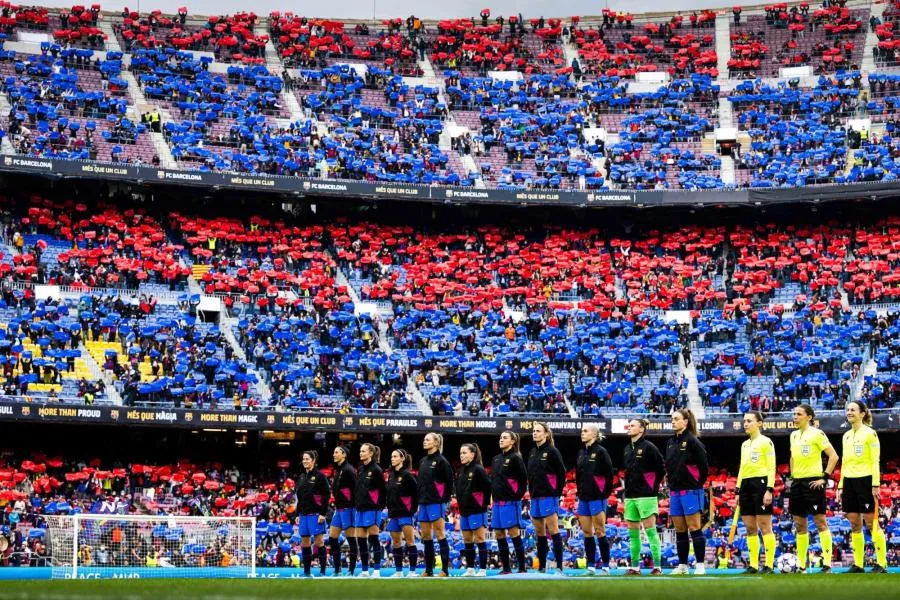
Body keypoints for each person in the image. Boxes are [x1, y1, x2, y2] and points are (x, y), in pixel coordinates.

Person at [789, 404, 839, 573]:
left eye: (799, 414)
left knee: (820, 523)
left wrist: (824, 477)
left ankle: (827, 564)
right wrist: (792, 475)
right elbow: (792, 458)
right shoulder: (793, 435)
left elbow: (833, 456)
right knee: (799, 526)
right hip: (797, 483)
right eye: (794, 414)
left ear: (809, 417)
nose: (795, 417)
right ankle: (801, 566)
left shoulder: (817, 434)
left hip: (813, 483)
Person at [838, 401, 886, 573]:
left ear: (863, 413)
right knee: (854, 525)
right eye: (848, 409)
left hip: (866, 481)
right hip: (849, 482)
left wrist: (875, 484)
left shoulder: (870, 434)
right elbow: (844, 462)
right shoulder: (846, 436)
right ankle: (858, 564)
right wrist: (841, 485)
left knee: (872, 524)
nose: (849, 412)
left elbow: (875, 460)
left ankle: (881, 563)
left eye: (853, 409)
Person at [665, 408, 709, 575]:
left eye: (676, 419)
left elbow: (703, 467)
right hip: (675, 491)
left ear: (685, 421)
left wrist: (696, 483)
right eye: (672, 419)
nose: (673, 421)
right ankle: (683, 565)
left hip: (691, 490)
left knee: (694, 527)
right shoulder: (670, 442)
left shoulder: (693, 441)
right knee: (680, 529)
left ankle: (700, 565)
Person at [623, 418, 665, 576]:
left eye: (632, 425)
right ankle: (634, 567)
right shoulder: (627, 448)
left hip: (646, 496)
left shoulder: (649, 447)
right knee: (633, 534)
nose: (629, 427)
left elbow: (661, 469)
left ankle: (658, 567)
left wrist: (651, 486)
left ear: (641, 430)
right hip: (630, 497)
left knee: (651, 532)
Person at [736, 411, 777, 574]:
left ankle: (769, 565)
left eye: (749, 421)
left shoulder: (766, 442)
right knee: (749, 528)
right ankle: (753, 565)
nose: (745, 424)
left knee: (765, 526)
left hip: (761, 484)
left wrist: (769, 489)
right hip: (745, 485)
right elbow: (742, 468)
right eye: (744, 421)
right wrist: (738, 490)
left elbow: (771, 467)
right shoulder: (744, 444)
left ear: (759, 423)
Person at [527, 421, 566, 574]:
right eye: (533, 431)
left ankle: (559, 567)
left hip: (549, 496)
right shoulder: (532, 452)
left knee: (554, 531)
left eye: (538, 431)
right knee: (540, 533)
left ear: (546, 434)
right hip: (535, 496)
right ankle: (542, 567)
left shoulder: (552, 451)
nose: (534, 433)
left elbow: (561, 473)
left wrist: (556, 492)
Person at [575, 422, 614, 576]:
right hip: (583, 498)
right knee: (586, 532)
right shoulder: (581, 453)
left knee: (600, 531)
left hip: (597, 497)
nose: (582, 433)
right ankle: (590, 566)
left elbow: (609, 475)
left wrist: (604, 493)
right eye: (582, 431)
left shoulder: (601, 452)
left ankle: (605, 566)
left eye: (585, 431)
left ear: (594, 434)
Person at [490, 430, 529, 574]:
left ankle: (522, 568)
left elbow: (523, 480)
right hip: (497, 502)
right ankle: (506, 568)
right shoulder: (496, 459)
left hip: (510, 502)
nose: (501, 439)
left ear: (512, 441)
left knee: (513, 533)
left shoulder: (515, 458)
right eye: (500, 437)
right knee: (499, 534)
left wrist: (516, 496)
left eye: (505, 437)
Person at [416, 432, 454, 577]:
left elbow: (449, 482)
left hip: (436, 502)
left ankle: (444, 569)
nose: (424, 441)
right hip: (423, 502)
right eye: (424, 439)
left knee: (439, 534)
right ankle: (429, 569)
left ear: (436, 443)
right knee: (426, 535)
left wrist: (443, 499)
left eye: (427, 439)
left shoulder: (442, 461)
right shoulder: (423, 461)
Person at [455, 442, 491, 577]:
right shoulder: (461, 470)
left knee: (480, 539)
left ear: (472, 454)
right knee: (468, 540)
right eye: (460, 453)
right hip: (464, 511)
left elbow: (488, 486)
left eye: (464, 453)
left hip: (477, 510)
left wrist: (482, 504)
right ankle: (470, 569)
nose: (461, 456)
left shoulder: (478, 469)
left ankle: (482, 569)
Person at [353, 442, 386, 577]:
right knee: (361, 540)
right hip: (360, 508)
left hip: (373, 508)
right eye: (360, 451)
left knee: (373, 539)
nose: (361, 453)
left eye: (364, 451)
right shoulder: (360, 469)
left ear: (371, 453)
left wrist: (379, 507)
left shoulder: (377, 470)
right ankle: (365, 570)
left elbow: (382, 491)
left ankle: (377, 570)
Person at [297, 450, 331, 577]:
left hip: (316, 514)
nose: (305, 461)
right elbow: (299, 497)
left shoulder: (320, 476)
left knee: (319, 542)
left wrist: (323, 513)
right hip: (303, 515)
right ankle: (306, 572)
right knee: (305, 542)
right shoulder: (301, 477)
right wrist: (297, 514)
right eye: (304, 459)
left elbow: (327, 494)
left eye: (307, 459)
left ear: (313, 461)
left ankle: (322, 571)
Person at [385, 449, 419, 578]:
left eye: (395, 456)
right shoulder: (392, 475)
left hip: (405, 514)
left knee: (410, 542)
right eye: (391, 456)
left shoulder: (408, 475)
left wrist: (412, 510)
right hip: (393, 515)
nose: (392, 458)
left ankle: (412, 571)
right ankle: (398, 571)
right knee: (396, 544)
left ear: (402, 459)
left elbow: (415, 494)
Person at [328, 446, 357, 576]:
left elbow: (354, 489)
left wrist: (352, 507)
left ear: (344, 455)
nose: (333, 454)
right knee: (332, 538)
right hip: (338, 509)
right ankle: (337, 569)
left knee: (351, 539)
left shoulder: (348, 470)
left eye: (336, 452)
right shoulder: (338, 469)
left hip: (348, 508)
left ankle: (351, 570)